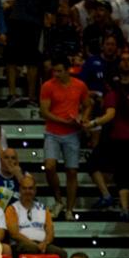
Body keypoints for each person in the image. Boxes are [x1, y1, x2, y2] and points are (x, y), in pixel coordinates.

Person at [40, 56, 92, 221]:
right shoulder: (47, 86)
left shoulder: (80, 85)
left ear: (68, 70)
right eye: (54, 71)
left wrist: (84, 117)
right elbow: (45, 111)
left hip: (72, 133)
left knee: (71, 171)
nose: (56, 74)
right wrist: (64, 121)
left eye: (60, 71)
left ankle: (69, 208)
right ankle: (58, 200)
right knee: (49, 166)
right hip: (53, 131)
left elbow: (88, 104)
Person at [87, 81, 129, 220]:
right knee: (123, 174)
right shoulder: (127, 97)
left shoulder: (112, 95)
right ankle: (124, 209)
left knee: (92, 163)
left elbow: (110, 114)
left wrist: (93, 123)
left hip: (116, 137)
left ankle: (106, 196)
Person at [5, 175, 67, 258]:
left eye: (30, 188)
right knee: (31, 249)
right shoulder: (12, 208)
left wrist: (45, 243)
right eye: (24, 188)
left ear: (35, 190)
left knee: (61, 254)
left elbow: (50, 231)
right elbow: (14, 233)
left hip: (42, 244)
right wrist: (33, 244)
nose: (27, 191)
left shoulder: (43, 208)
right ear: (20, 190)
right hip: (21, 244)